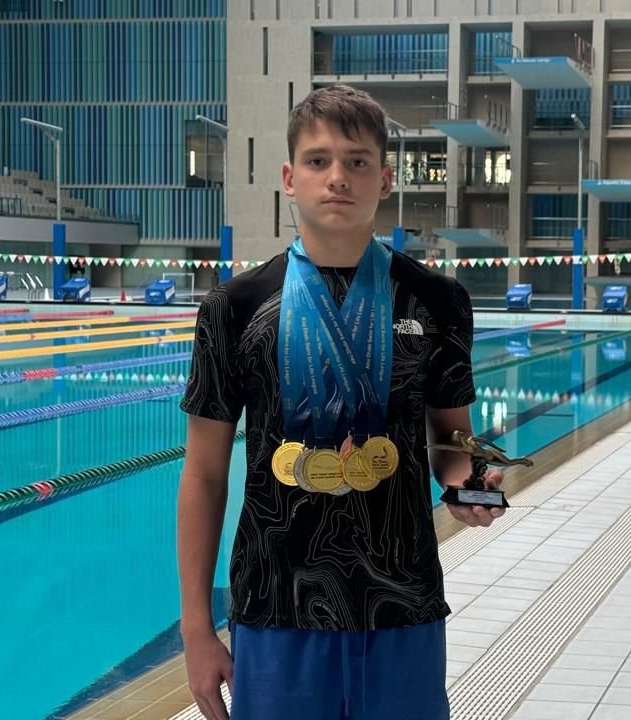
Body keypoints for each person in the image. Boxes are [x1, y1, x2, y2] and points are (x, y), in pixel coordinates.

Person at [176, 83, 504, 720]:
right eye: (318, 160)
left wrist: (468, 483)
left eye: (357, 161)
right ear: (289, 178)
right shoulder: (235, 308)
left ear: (385, 179)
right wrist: (195, 629)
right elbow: (204, 474)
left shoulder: (437, 302)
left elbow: (450, 439)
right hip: (276, 607)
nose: (337, 177)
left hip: (402, 603)